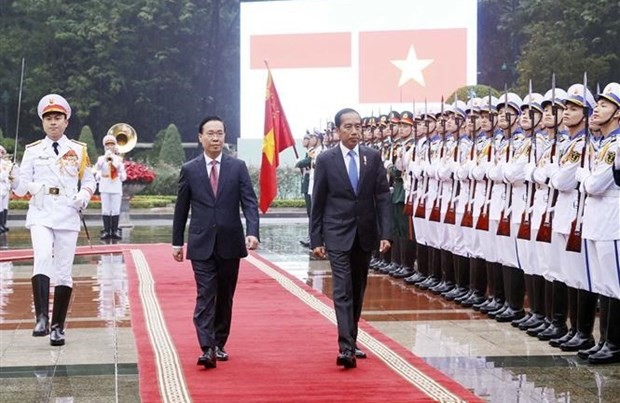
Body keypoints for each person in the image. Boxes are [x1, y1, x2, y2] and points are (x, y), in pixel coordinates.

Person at [171, 115, 259, 369]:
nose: (216, 138)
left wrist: (252, 231)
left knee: (224, 296)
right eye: (210, 133)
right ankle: (207, 347)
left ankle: (219, 342)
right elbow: (181, 208)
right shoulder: (190, 169)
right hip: (201, 243)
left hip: (230, 243)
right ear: (200, 137)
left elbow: (249, 202)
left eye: (220, 133)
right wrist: (177, 242)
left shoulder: (237, 167)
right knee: (205, 294)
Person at [10, 94, 96, 346]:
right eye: (48, 118)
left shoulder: (79, 150)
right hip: (41, 211)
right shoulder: (33, 150)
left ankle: (58, 326)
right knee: (42, 256)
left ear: (66, 121)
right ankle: (41, 318)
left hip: (67, 213)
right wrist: (12, 176)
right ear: (42, 122)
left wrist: (84, 195)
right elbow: (21, 187)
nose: (53, 122)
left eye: (57, 118)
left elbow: (90, 180)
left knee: (63, 270)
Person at [310, 107, 392, 369]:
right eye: (348, 126)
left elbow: (382, 196)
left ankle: (352, 338)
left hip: (365, 233)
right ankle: (346, 347)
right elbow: (318, 201)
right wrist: (316, 239)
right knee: (342, 289)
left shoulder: (373, 157)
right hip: (337, 233)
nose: (355, 131)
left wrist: (386, 233)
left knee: (357, 289)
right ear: (338, 130)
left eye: (358, 126)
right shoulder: (325, 159)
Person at [93, 135, 127, 240]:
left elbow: (122, 173)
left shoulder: (118, 159)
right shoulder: (100, 159)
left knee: (115, 209)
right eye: (107, 144)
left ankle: (115, 230)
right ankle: (106, 230)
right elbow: (95, 169)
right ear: (104, 146)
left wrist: (113, 160)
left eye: (112, 144)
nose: (109, 146)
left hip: (116, 185)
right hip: (105, 185)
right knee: (106, 209)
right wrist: (104, 159)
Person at [0, 145, 14, 233]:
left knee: (5, 207)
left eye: (2, 152)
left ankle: (3, 224)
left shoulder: (5, 163)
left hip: (5, 187)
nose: (1, 153)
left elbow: (9, 174)